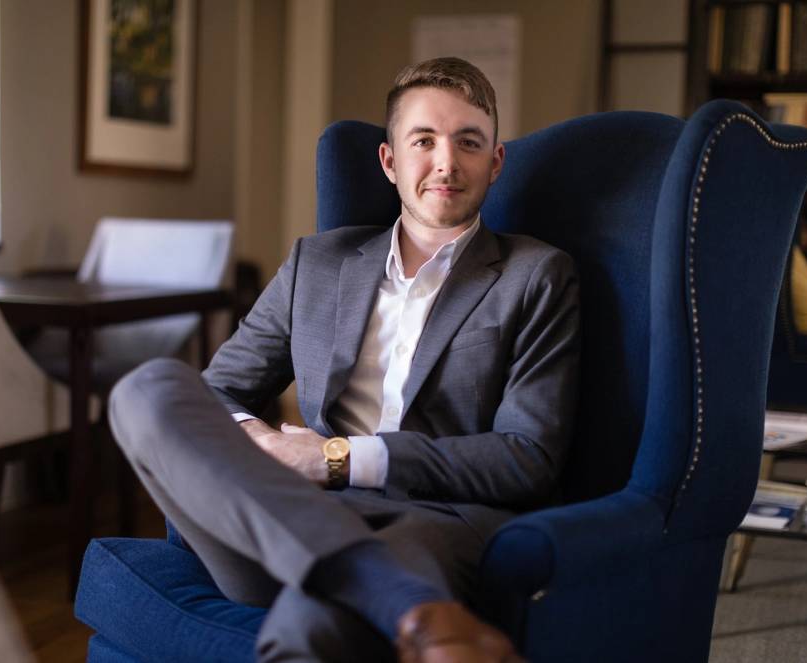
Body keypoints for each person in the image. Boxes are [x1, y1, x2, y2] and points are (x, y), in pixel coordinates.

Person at [110, 56, 580, 662]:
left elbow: (528, 458)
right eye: (424, 140)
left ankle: (374, 587)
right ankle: (405, 606)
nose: (446, 163)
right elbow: (216, 392)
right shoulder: (318, 263)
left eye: (468, 142)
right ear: (389, 160)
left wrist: (336, 458)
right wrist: (266, 447)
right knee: (147, 390)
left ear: (495, 163)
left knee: (313, 629)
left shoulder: (537, 276)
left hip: (429, 522)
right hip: (284, 518)